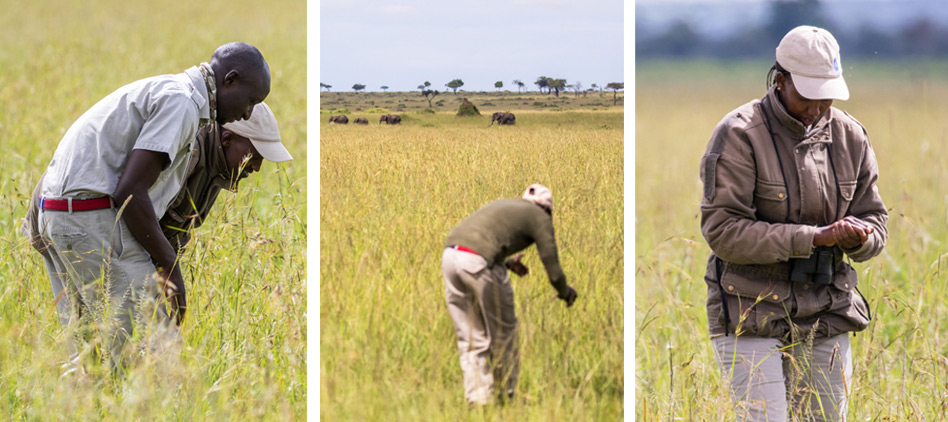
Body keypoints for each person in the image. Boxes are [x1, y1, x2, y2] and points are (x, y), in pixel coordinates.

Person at [31, 42, 271, 371]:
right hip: (91, 216)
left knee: (89, 357)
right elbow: (130, 191)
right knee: (153, 353)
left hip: (59, 215)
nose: (247, 113)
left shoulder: (172, 91)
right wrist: (170, 269)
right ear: (230, 80)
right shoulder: (182, 103)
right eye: (251, 101)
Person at [699, 26, 887, 421]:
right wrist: (815, 238)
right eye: (806, 96)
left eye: (826, 96)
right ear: (779, 80)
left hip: (828, 306)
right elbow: (722, 232)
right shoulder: (738, 134)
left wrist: (860, 239)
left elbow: (877, 219)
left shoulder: (851, 136)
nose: (817, 108)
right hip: (749, 307)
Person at [441, 184, 578, 405]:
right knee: (503, 334)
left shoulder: (506, 204)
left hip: (450, 257)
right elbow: (552, 266)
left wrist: (507, 263)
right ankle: (506, 396)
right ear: (548, 210)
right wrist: (565, 291)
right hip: (478, 262)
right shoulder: (540, 217)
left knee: (470, 337)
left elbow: (475, 245)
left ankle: (478, 401)